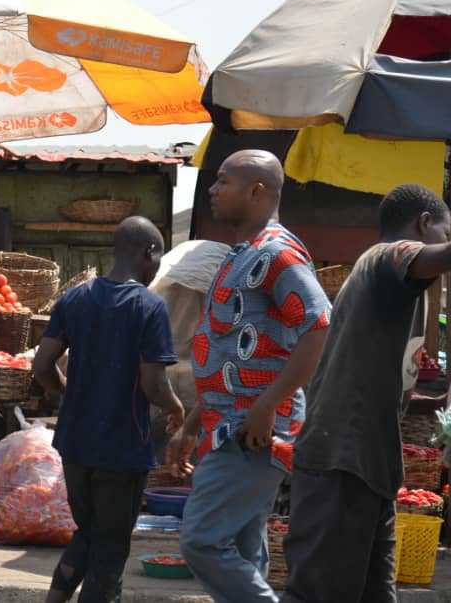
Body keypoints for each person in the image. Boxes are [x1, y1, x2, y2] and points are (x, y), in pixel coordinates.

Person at [168, 150, 330, 603]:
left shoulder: (277, 254)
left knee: (201, 541)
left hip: (252, 432)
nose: (213, 191)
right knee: (242, 549)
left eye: (223, 181)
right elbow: (228, 360)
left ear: (257, 191)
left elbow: (319, 328)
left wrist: (264, 407)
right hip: (228, 425)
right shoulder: (241, 254)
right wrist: (192, 423)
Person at [283, 184, 451, 603]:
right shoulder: (384, 257)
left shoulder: (385, 285)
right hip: (341, 460)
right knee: (317, 594)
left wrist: (430, 402)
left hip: (368, 467)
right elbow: (439, 256)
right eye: (443, 233)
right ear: (424, 224)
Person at [33, 216, 186, 603]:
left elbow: (42, 365)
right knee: (111, 549)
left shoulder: (75, 298)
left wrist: (66, 395)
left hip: (76, 443)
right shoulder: (149, 307)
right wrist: (176, 405)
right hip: (121, 447)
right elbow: (153, 385)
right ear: (148, 253)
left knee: (89, 531)